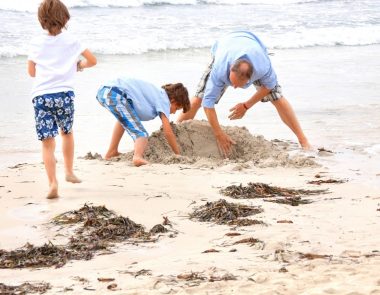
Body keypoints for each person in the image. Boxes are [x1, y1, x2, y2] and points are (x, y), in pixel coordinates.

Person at [177, 30, 310, 157]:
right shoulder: (220, 68)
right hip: (225, 45)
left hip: (253, 46)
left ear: (251, 78)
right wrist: (219, 134)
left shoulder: (262, 67)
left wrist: (246, 105)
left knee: (277, 98)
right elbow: (208, 103)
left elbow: (269, 86)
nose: (233, 87)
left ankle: (303, 141)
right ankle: (175, 132)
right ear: (230, 69)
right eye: (231, 81)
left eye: (238, 85)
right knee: (199, 98)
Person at [27, 0, 97, 199]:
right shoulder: (72, 40)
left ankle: (52, 183)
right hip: (64, 95)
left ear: (41, 20)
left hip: (41, 96)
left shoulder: (35, 42)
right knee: (66, 132)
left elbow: (31, 72)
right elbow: (92, 61)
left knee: (47, 142)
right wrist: (77, 66)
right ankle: (68, 171)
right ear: (65, 18)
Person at [96, 78, 190, 166]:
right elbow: (168, 131)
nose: (173, 112)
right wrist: (178, 155)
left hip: (105, 92)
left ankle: (111, 151)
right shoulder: (164, 99)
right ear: (173, 100)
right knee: (141, 134)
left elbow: (124, 121)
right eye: (176, 108)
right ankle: (137, 157)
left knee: (125, 120)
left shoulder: (157, 95)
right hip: (115, 93)